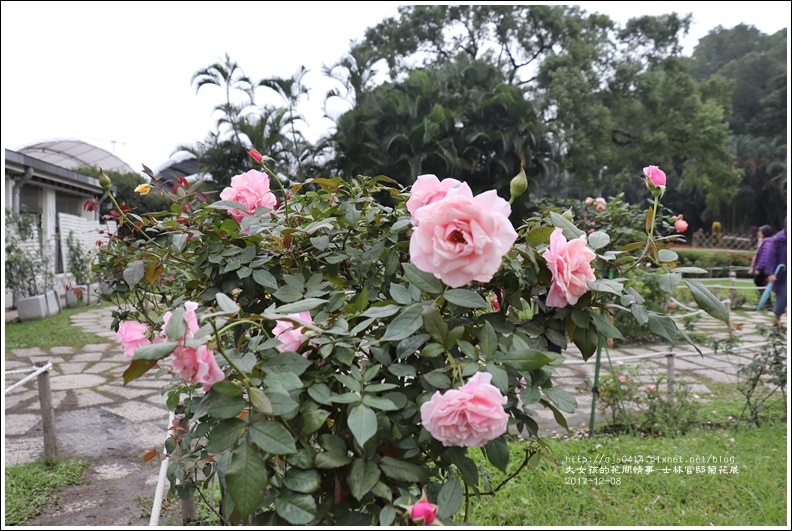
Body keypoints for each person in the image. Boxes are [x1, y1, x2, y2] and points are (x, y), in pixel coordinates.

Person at [759, 227, 787, 326]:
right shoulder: (778, 240)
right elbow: (770, 257)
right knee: (783, 297)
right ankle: (777, 321)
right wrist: (770, 273)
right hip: (783, 274)